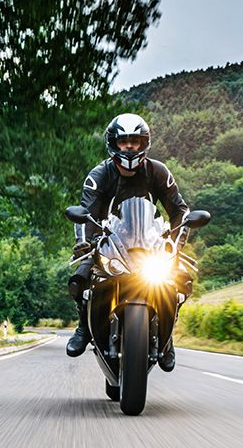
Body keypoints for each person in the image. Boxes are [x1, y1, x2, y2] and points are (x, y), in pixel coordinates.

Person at [66, 113, 190, 372]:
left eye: (135, 141)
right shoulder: (99, 175)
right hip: (110, 241)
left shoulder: (158, 171)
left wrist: (176, 243)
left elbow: (180, 211)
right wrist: (84, 243)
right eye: (124, 142)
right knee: (79, 280)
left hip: (150, 245)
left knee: (182, 281)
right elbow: (85, 213)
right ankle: (83, 327)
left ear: (144, 143)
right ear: (114, 143)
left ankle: (166, 339)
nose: (130, 147)